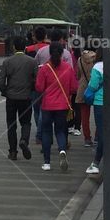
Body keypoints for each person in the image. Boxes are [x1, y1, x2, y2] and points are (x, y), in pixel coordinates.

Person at [35, 43, 77, 171]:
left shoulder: (44, 69)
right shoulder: (68, 68)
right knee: (60, 131)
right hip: (62, 105)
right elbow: (74, 88)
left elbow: (39, 88)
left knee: (47, 132)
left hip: (47, 105)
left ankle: (47, 162)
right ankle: (62, 150)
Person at [0, 36, 36, 161]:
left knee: (11, 124)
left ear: (14, 47)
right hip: (26, 97)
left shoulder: (7, 61)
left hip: (11, 97)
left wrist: (5, 91)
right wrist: (32, 90)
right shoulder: (32, 61)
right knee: (26, 122)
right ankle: (24, 140)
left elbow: (1, 80)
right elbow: (37, 79)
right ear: (25, 47)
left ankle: (13, 151)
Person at [75, 44, 97, 147]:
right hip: (96, 88)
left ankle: (87, 139)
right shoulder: (97, 59)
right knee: (98, 114)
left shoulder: (80, 59)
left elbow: (78, 75)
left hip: (83, 88)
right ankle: (98, 136)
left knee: (85, 116)